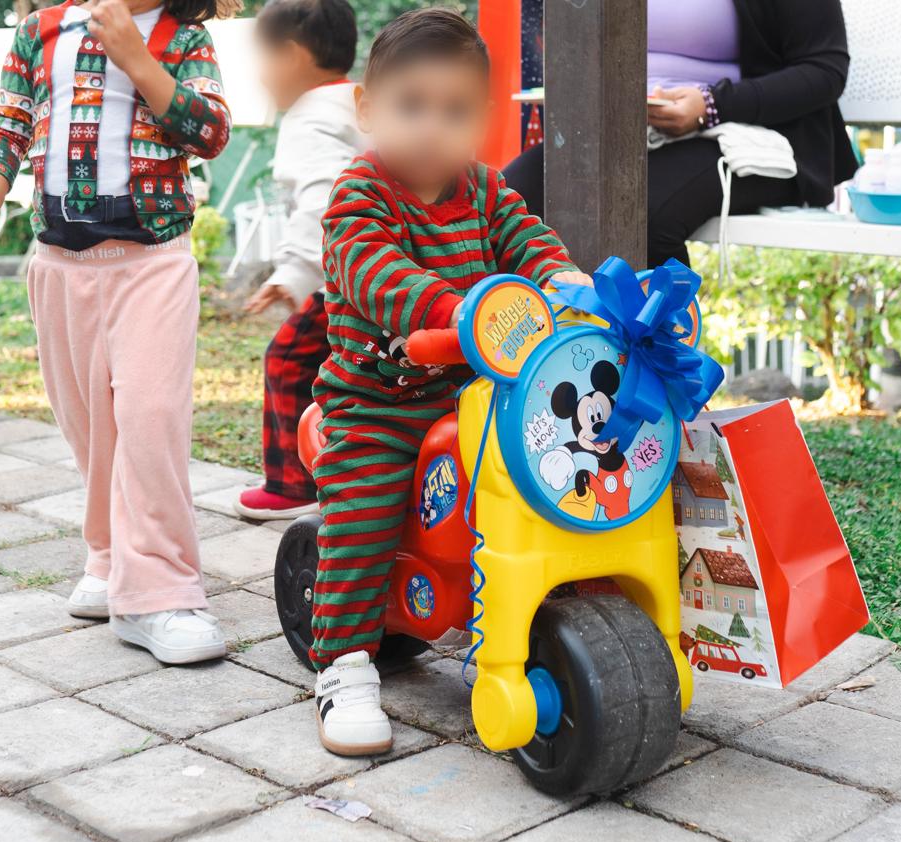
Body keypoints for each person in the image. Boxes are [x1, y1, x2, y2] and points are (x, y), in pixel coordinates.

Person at [308, 8, 591, 757]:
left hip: (481, 396)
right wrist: (454, 307)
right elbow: (377, 274)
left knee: (554, 478)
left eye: (456, 111)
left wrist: (562, 280)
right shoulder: (359, 197)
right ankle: (342, 662)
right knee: (366, 505)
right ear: (368, 109)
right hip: (382, 401)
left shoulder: (486, 191)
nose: (433, 127)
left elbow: (526, 240)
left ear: (484, 121)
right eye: (412, 107)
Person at [0, 0, 237, 664]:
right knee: (89, 424)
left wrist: (138, 58)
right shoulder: (39, 33)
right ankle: (109, 556)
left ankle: (163, 588)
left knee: (148, 415)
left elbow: (212, 131)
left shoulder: (180, 36)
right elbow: (9, 120)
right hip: (60, 266)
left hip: (150, 262)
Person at [503, 0, 859, 268]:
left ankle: (663, 362)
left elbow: (824, 69)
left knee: (641, 216)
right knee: (507, 200)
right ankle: (537, 352)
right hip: (623, 131)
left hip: (750, 136)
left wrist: (710, 105)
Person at [233, 0, 363, 521]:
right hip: (394, 272)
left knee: (287, 361)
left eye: (261, 60)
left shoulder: (309, 117)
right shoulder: (359, 101)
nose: (260, 77)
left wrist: (294, 273)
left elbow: (325, 202)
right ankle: (344, 466)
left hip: (349, 277)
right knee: (352, 372)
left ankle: (293, 483)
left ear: (290, 56)